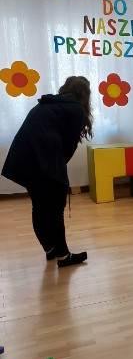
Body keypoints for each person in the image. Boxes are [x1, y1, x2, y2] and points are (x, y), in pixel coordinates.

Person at [1, 76, 93, 267]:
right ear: (85, 95)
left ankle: (50, 248)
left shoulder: (48, 103)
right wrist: (58, 172)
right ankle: (63, 256)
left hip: (23, 160)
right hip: (42, 161)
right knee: (55, 209)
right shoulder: (75, 109)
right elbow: (68, 147)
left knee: (40, 206)